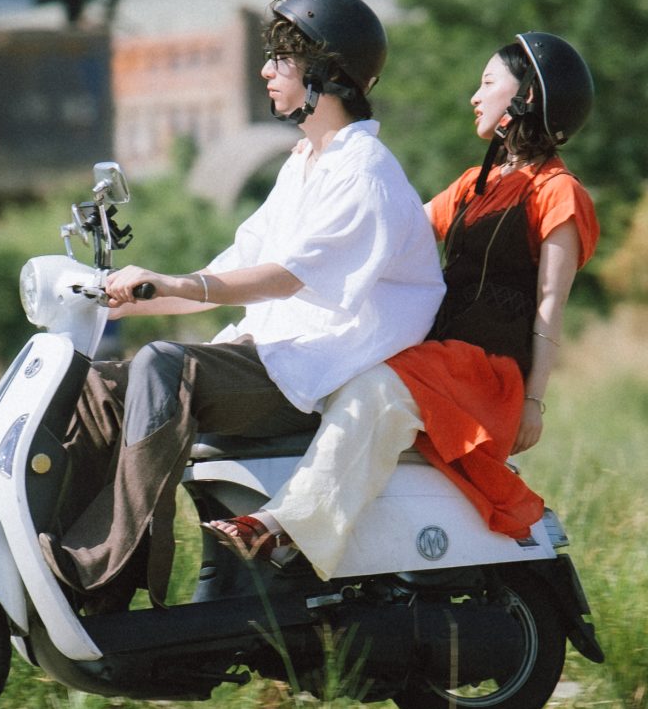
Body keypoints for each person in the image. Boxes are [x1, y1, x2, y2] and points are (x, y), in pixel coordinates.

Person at [45, 0, 444, 607]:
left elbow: (285, 276)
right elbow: (230, 271)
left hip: (314, 376)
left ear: (326, 74)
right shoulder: (304, 165)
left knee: (161, 366)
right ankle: (58, 556)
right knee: (96, 384)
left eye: (282, 59)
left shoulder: (364, 173)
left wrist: (178, 285)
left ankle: (110, 575)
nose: (265, 71)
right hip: (273, 360)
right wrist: (126, 296)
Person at [207, 31, 598, 575]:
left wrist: (534, 403)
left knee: (375, 388)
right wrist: (320, 161)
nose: (475, 97)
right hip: (439, 361)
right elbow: (394, 226)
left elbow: (551, 303)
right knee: (338, 369)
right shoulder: (474, 184)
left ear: (526, 97)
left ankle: (284, 526)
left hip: (490, 374)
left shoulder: (559, 192)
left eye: (488, 83)